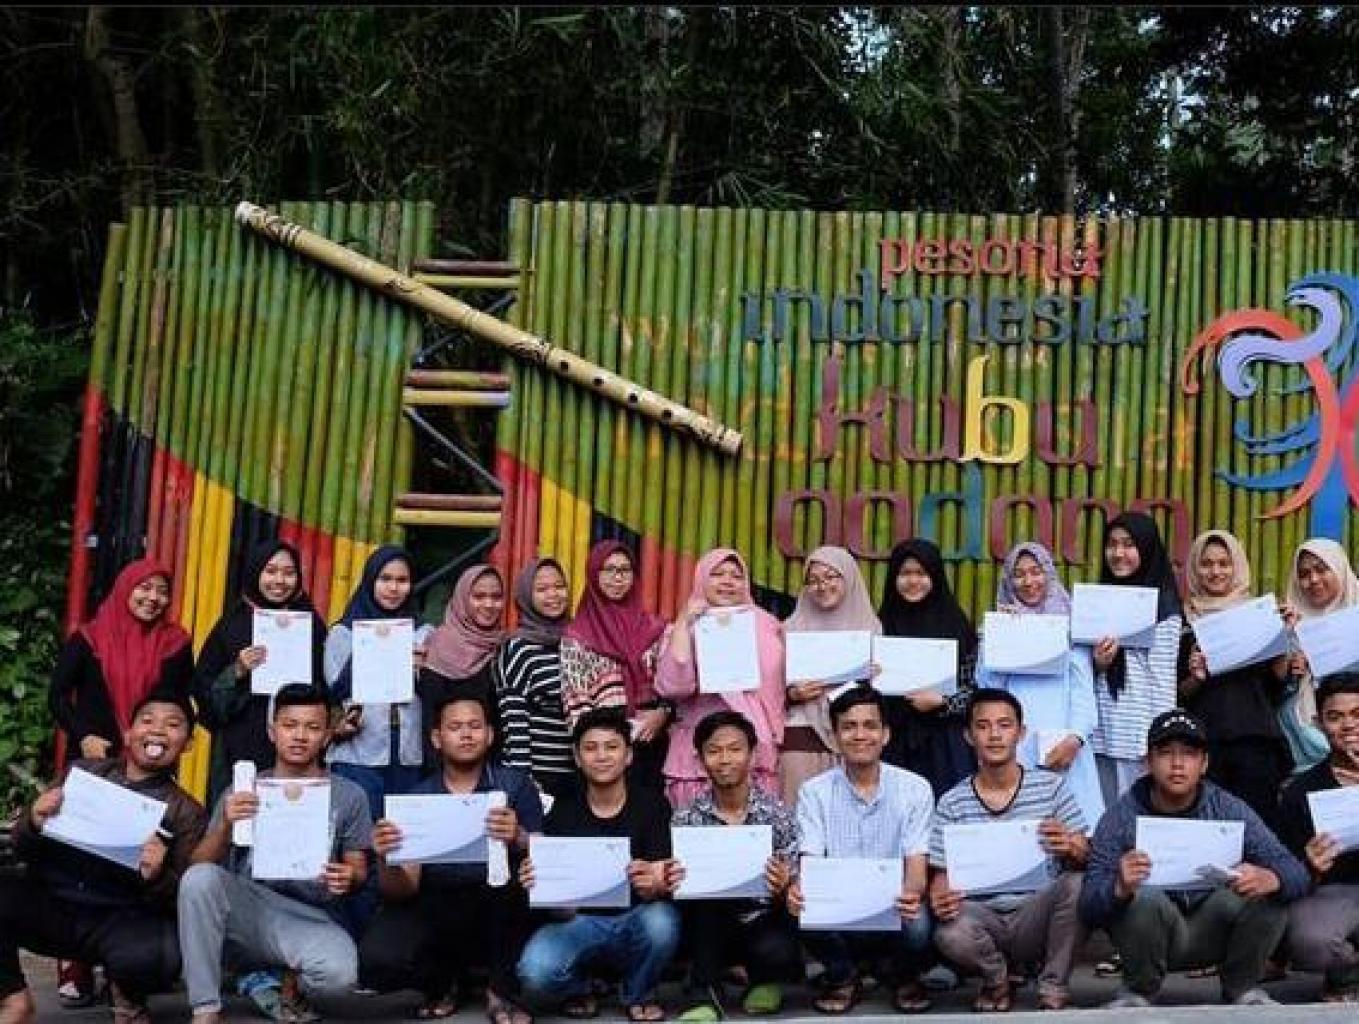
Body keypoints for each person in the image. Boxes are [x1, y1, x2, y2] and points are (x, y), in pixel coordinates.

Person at [1078, 708, 1309, 1008]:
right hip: (1151, 932)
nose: (1177, 764)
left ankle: (1242, 988)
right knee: (1143, 899)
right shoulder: (1120, 817)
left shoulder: (1229, 809)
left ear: (1204, 763)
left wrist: (1271, 877)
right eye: (1165, 753)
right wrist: (1118, 887)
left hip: (1215, 927)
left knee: (1270, 895)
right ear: (1148, 762)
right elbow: (1088, 905)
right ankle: (1138, 991)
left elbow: (1296, 873)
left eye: (1188, 754)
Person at [0, 691, 205, 1024]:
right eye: (148, 720)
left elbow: (184, 898)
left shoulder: (188, 813)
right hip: (56, 904)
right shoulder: (82, 774)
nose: (157, 730)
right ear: (128, 733)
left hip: (121, 920)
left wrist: (157, 875)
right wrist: (34, 820)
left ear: (188, 744)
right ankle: (13, 999)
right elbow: (22, 847)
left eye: (172, 724)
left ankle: (128, 996)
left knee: (161, 954)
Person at [178, 684, 373, 1024]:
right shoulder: (243, 790)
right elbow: (197, 867)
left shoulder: (349, 795)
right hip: (251, 908)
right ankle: (206, 1007)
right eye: (289, 725)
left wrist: (349, 876)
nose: (300, 736)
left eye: (312, 727)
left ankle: (277, 978)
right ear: (272, 732)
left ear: (327, 736)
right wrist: (225, 826)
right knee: (199, 880)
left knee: (339, 978)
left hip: (311, 916)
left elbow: (358, 869)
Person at [361, 693, 543, 1023]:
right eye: (455, 727)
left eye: (475, 726)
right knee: (380, 959)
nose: (466, 734)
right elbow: (402, 890)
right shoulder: (418, 799)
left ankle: (500, 991)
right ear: (436, 738)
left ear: (490, 734)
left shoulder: (515, 785)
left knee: (515, 887)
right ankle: (445, 983)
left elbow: (546, 861)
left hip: (502, 900)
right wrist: (385, 858)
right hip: (438, 901)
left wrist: (519, 837)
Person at [928, 688, 1089, 1012]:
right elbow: (940, 875)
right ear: (968, 736)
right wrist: (940, 896)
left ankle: (1054, 984)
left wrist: (1071, 845)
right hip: (981, 914)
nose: (994, 735)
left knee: (1078, 884)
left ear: (1021, 732)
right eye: (983, 726)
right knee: (949, 932)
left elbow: (1087, 852)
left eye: (1004, 725)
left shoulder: (1051, 787)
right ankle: (997, 980)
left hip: (1036, 911)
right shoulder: (952, 801)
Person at [516, 709, 681, 1022]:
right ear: (577, 758)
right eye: (590, 748)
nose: (602, 756)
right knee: (535, 971)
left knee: (663, 921)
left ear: (628, 755)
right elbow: (558, 908)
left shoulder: (652, 805)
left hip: (635, 917)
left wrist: (655, 883)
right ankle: (581, 988)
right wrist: (539, 884)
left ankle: (638, 993)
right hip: (580, 921)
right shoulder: (562, 811)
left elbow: (661, 878)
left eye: (612, 747)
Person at [790, 686, 935, 1015]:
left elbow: (916, 869)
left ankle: (903, 976)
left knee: (919, 923)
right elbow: (810, 861)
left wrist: (911, 894)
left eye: (870, 726)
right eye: (849, 727)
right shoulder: (814, 792)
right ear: (835, 736)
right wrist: (800, 889)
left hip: (893, 906)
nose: (860, 735)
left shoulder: (915, 788)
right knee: (798, 905)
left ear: (886, 734)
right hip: (838, 908)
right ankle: (843, 977)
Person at [671, 711, 802, 1021]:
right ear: (700, 760)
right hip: (708, 923)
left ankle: (764, 980)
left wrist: (785, 883)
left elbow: (795, 881)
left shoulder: (777, 814)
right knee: (702, 909)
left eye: (735, 749)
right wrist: (673, 879)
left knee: (782, 936)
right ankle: (704, 995)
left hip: (761, 918)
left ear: (753, 755)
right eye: (714, 751)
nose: (725, 759)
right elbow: (679, 887)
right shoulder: (686, 818)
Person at [976, 542, 1103, 828]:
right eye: (1019, 574)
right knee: (1020, 826)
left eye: (1036, 571)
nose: (1028, 581)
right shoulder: (1001, 625)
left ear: (1048, 573)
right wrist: (999, 637)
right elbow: (988, 688)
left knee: (1072, 829)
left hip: (1066, 742)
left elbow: (1083, 690)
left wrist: (1076, 738)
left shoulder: (1071, 626)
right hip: (1016, 743)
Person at [193, 540, 328, 804]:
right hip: (241, 746)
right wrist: (237, 671)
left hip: (300, 745)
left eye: (289, 573)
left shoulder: (312, 626)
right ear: (255, 573)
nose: (279, 581)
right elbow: (206, 697)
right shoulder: (231, 627)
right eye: (271, 571)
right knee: (241, 815)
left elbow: (328, 685)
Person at [655, 549, 785, 807]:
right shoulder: (685, 626)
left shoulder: (768, 626)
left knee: (755, 827)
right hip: (699, 755)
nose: (727, 581)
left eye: (736, 576)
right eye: (717, 574)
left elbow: (779, 690)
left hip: (755, 751)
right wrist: (684, 623)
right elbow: (674, 687)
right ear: (702, 578)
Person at [1178, 530, 1291, 823]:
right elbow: (1177, 694)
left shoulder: (1258, 615)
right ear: (1194, 568)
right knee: (1208, 827)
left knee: (1257, 827)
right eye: (1206, 564)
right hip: (1204, 744)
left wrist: (1280, 638)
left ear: (1237, 566)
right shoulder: (1182, 620)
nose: (1215, 572)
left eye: (1224, 563)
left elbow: (1277, 683)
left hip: (1256, 740)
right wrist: (1196, 677)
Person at [49, 556, 193, 762]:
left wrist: (181, 736)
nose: (153, 597)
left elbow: (182, 698)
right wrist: (84, 736)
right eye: (145, 588)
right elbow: (57, 696)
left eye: (162, 592)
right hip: (94, 755)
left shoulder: (176, 643)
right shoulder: (88, 639)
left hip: (153, 758)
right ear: (125, 589)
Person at [326, 545, 433, 820]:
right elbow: (333, 691)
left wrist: (421, 672)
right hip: (357, 752)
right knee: (359, 833)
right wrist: (372, 655)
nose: (393, 588)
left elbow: (434, 695)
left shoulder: (423, 634)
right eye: (385, 579)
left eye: (402, 580)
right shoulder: (344, 634)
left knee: (402, 833)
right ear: (370, 581)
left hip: (408, 752)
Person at [1088, 512, 1182, 806]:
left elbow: (1163, 681)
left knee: (1137, 817)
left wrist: (1159, 741)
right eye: (1112, 544)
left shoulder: (1163, 607)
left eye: (1129, 545)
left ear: (1146, 547)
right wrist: (1099, 664)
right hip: (1099, 734)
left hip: (1138, 739)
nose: (1118, 553)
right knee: (1103, 818)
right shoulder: (1096, 602)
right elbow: (1082, 671)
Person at [561, 541, 672, 789]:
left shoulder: (656, 629)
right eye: (609, 570)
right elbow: (575, 700)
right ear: (594, 574)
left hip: (652, 743)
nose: (618, 578)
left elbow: (670, 686)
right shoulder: (577, 636)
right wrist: (604, 745)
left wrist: (663, 713)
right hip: (603, 753)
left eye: (625, 570)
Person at [1277, 673, 1359, 1003]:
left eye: (1357, 714)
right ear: (1319, 725)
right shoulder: (1301, 790)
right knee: (1311, 940)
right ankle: (1348, 976)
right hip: (1334, 893)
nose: (1349, 725)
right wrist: (1308, 865)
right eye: (1335, 717)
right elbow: (1284, 873)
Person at [781, 545, 881, 806]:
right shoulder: (788, 629)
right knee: (799, 815)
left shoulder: (871, 628)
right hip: (801, 736)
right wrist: (792, 694)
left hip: (856, 738)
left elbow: (883, 696)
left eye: (830, 577)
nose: (822, 586)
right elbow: (768, 691)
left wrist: (877, 679)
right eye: (813, 580)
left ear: (848, 577)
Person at [877, 538, 977, 798]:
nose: (913, 581)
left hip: (946, 743)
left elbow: (974, 688)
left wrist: (944, 701)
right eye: (905, 573)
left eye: (921, 573)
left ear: (935, 576)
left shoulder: (956, 625)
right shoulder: (880, 625)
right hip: (893, 740)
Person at [497, 558, 577, 799]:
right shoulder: (518, 647)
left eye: (559, 586)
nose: (553, 595)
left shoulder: (576, 641)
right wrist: (523, 780)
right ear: (526, 596)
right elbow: (514, 718)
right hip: (538, 777)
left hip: (580, 774)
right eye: (542, 589)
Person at [1279, 539, 1359, 772]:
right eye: (1304, 574)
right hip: (1302, 745)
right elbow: (1275, 696)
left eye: (1322, 569)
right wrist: (1293, 670)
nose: (1313, 580)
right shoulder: (1288, 624)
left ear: (1339, 569)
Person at [418, 563, 506, 769]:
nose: (489, 604)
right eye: (479, 596)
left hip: (494, 769)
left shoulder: (504, 645)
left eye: (496, 597)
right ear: (462, 598)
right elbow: (430, 722)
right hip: (445, 771)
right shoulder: (439, 647)